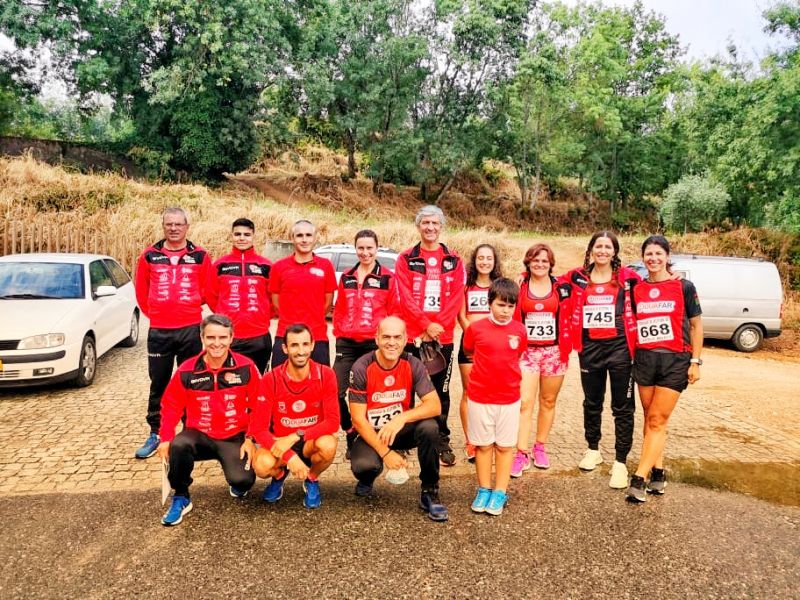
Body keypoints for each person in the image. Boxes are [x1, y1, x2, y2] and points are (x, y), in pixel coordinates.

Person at [156, 314, 260, 526]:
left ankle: (236, 478)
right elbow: (171, 406)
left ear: (232, 338)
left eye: (222, 337)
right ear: (202, 337)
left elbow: (259, 405)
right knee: (179, 444)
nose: (217, 343)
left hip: (233, 437)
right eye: (211, 337)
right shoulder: (187, 369)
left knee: (243, 482)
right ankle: (181, 496)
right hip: (199, 435)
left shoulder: (246, 367)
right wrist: (165, 438)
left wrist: (251, 438)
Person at [134, 207, 215, 460]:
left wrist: (187, 308)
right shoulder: (149, 255)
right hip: (159, 331)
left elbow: (208, 289)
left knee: (192, 381)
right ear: (163, 226)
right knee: (159, 382)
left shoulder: (200, 255)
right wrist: (158, 314)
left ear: (187, 226)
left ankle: (190, 432)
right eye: (169, 224)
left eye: (178, 224)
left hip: (191, 329)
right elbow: (141, 292)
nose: (173, 228)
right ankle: (156, 432)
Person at [626, 235, 703, 502]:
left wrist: (695, 361)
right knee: (652, 419)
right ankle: (658, 473)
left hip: (675, 360)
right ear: (643, 257)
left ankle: (639, 478)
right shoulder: (637, 289)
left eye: (659, 253)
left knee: (657, 419)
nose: (653, 258)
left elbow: (696, 326)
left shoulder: (684, 286)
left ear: (667, 256)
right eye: (648, 254)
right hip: (646, 358)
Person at [348, 316, 447, 521]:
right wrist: (386, 454)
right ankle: (367, 479)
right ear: (376, 339)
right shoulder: (361, 367)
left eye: (397, 337)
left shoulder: (413, 363)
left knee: (429, 427)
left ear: (405, 340)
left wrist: (402, 417)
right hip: (373, 432)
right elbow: (358, 420)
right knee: (364, 466)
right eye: (386, 337)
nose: (391, 342)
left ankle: (429, 491)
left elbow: (434, 405)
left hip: (399, 429)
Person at [565, 231, 640, 489]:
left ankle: (620, 461)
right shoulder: (578, 277)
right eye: (599, 246)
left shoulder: (628, 277)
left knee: (623, 406)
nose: (603, 251)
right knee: (592, 402)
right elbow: (550, 282)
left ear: (615, 252)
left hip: (621, 348)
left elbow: (654, 287)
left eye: (608, 247)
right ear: (591, 249)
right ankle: (593, 448)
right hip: (590, 348)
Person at [395, 205, 466, 466]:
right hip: (413, 336)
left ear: (442, 226)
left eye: (435, 223)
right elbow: (403, 296)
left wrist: (438, 327)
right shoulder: (406, 258)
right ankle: (401, 440)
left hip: (442, 338)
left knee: (440, 391)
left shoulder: (454, 260)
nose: (430, 228)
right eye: (425, 223)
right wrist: (425, 324)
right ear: (418, 226)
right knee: (406, 389)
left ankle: (440, 440)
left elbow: (457, 296)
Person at [242, 323, 339, 509]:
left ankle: (311, 478)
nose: (300, 351)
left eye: (305, 344)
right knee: (261, 465)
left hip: (310, 441)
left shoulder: (326, 374)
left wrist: (296, 436)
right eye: (294, 345)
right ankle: (279, 476)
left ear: (312, 345)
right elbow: (259, 428)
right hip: (279, 442)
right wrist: (289, 456)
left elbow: (333, 422)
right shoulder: (271, 379)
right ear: (285, 348)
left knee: (328, 444)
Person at [332, 229, 400, 459]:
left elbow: (393, 313)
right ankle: (351, 430)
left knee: (373, 394)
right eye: (361, 248)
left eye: (369, 248)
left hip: (373, 344)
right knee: (334, 391)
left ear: (377, 248)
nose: (365, 252)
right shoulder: (347, 277)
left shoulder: (388, 278)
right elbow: (339, 307)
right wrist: (339, 330)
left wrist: (387, 340)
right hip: (347, 344)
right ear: (356, 249)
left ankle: (375, 440)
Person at [463, 278, 527, 516]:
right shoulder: (476, 328)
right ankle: (484, 489)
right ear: (490, 302)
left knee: (504, 447)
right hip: (480, 397)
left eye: (510, 306)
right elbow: (470, 350)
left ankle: (500, 491)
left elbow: (518, 353)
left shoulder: (519, 330)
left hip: (509, 398)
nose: (505, 311)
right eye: (501, 305)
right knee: (483, 445)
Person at [511, 244, 572, 477]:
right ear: (528, 262)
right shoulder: (520, 286)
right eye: (535, 260)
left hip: (554, 352)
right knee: (525, 402)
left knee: (548, 401)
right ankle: (521, 452)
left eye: (544, 261)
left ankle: (540, 446)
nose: (540, 264)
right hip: (527, 353)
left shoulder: (561, 287)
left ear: (551, 263)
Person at [268, 220, 337, 368]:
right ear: (292, 238)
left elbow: (328, 303)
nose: (304, 239)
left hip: (317, 336)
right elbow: (276, 304)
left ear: (315, 238)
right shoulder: (279, 267)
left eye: (308, 235)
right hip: (285, 335)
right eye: (299, 235)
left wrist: (313, 319)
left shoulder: (326, 266)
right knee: (280, 384)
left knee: (318, 384)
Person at [456, 244, 502, 462]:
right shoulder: (465, 287)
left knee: (492, 393)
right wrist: (475, 338)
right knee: (469, 393)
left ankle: (489, 438)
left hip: (495, 349)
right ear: (474, 261)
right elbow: (461, 316)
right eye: (480, 258)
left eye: (489, 258)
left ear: (495, 262)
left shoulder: (500, 287)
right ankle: (471, 441)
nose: (484, 262)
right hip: (470, 346)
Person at [209, 218, 273, 373]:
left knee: (258, 383)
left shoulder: (265, 266)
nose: (242, 238)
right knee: (229, 382)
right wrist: (223, 317)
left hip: (259, 336)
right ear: (231, 236)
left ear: (254, 236)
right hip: (229, 336)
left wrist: (263, 316)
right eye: (237, 234)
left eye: (246, 234)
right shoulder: (220, 265)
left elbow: (274, 297)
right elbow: (211, 296)